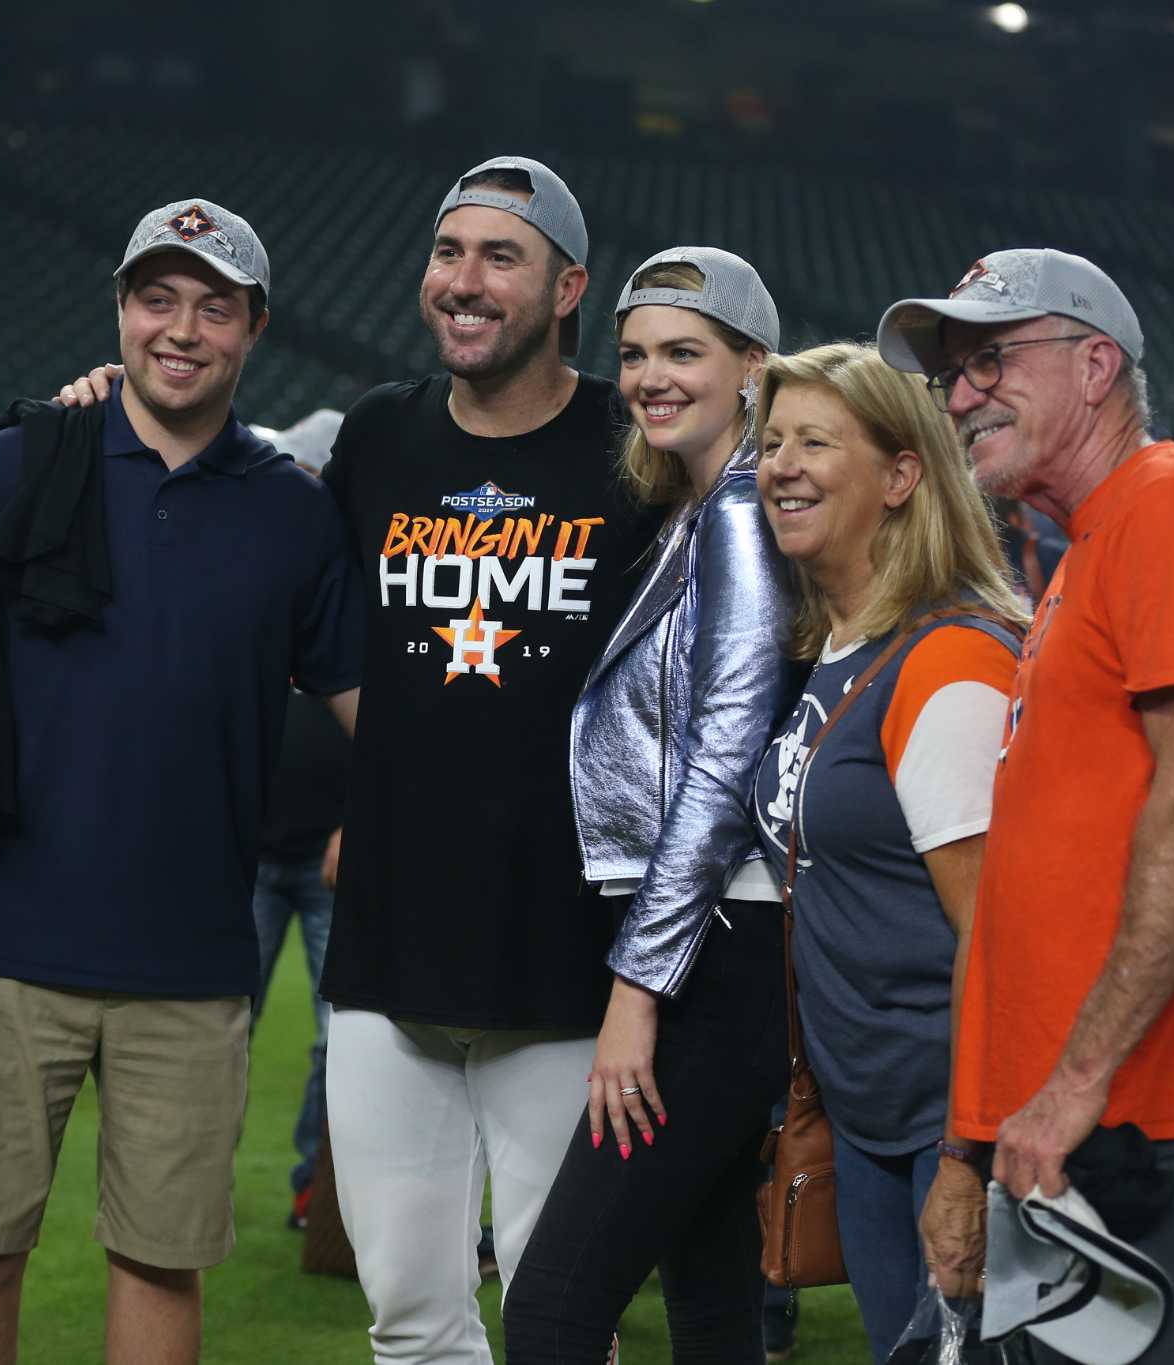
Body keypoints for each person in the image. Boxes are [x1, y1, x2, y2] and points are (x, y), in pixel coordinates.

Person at [0, 199, 363, 1365]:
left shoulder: (291, 510)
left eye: (211, 307)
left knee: (162, 1261)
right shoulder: (14, 467)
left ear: (253, 328)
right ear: (120, 310)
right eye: (156, 299)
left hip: (192, 961)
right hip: (8, 940)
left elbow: (373, 711)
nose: (180, 330)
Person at [878, 248, 1174, 1364]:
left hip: (1163, 1107)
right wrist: (975, 1144)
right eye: (950, 375)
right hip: (1080, 1111)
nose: (961, 394)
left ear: (1093, 365)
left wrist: (1069, 1086)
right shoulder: (1093, 543)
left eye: (989, 359)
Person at [316, 155, 665, 1364]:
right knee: (407, 1316)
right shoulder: (376, 437)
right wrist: (399, 776)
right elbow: (330, 647)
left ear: (569, 286)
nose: (463, 283)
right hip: (385, 947)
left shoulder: (635, 444)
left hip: (567, 954)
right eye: (447, 252)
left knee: (559, 1319)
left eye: (499, 257)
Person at [499, 247, 791, 1364]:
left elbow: (723, 753)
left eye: (684, 352)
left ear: (752, 368)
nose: (650, 376)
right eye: (632, 355)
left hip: (706, 949)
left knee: (552, 1311)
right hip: (711, 941)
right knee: (713, 1304)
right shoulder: (704, 504)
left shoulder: (740, 508)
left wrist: (639, 986)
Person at [746, 341, 1027, 1362]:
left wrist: (965, 1156)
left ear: (902, 476)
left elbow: (1000, 940)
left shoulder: (946, 660)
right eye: (771, 441)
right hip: (867, 1110)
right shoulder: (832, 646)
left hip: (946, 1123)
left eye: (815, 441)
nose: (779, 463)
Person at [250, 407, 353, 1229]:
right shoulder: (250, 572)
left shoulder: (370, 589)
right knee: (208, 1029)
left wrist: (363, 822)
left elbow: (397, 725)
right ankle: (177, 1185)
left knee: (338, 1040)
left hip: (331, 856)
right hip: (241, 850)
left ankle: (316, 1196)